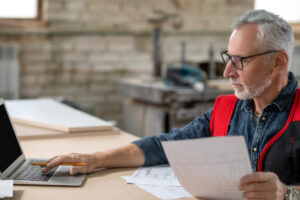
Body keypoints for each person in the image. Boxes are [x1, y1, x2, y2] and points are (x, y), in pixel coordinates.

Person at [43, 10, 300, 200]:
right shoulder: (226, 109)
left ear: (278, 62)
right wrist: (95, 159)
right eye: (228, 58)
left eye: (240, 60)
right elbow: (165, 146)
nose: (227, 72)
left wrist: (287, 193)